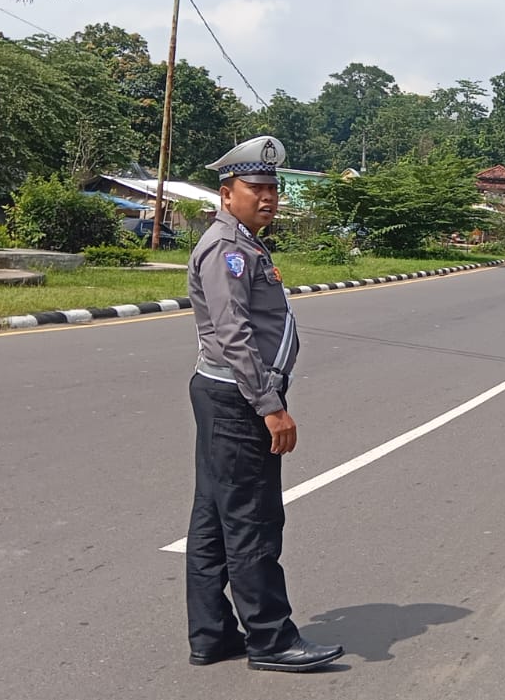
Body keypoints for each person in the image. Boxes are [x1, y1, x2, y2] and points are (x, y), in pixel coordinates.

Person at [185, 135, 343, 672]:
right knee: (253, 519)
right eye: (256, 188)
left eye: (273, 188)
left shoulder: (245, 242)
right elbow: (234, 334)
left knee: (213, 517)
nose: (269, 197)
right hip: (238, 398)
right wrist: (269, 404)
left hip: (226, 394)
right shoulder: (228, 248)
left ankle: (212, 634)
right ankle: (271, 639)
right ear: (226, 194)